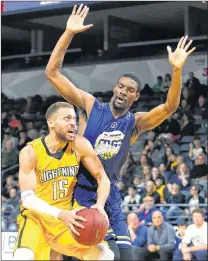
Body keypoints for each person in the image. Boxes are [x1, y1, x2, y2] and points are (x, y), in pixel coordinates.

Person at [45, 4, 196, 260]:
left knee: (125, 255)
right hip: (77, 190)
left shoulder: (134, 123)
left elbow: (170, 106)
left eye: (129, 90)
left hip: (110, 193)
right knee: (73, 253)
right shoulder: (92, 106)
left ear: (135, 96)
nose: (122, 91)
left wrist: (177, 70)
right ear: (115, 88)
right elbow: (52, 73)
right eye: (120, 86)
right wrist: (68, 33)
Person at [13, 102, 114, 261]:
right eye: (67, 118)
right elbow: (27, 198)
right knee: (23, 256)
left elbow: (103, 177)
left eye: (74, 119)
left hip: (67, 218)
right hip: (37, 218)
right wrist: (60, 214)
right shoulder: (30, 152)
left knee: (106, 256)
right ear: (51, 123)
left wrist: (100, 205)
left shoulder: (80, 145)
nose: (73, 123)